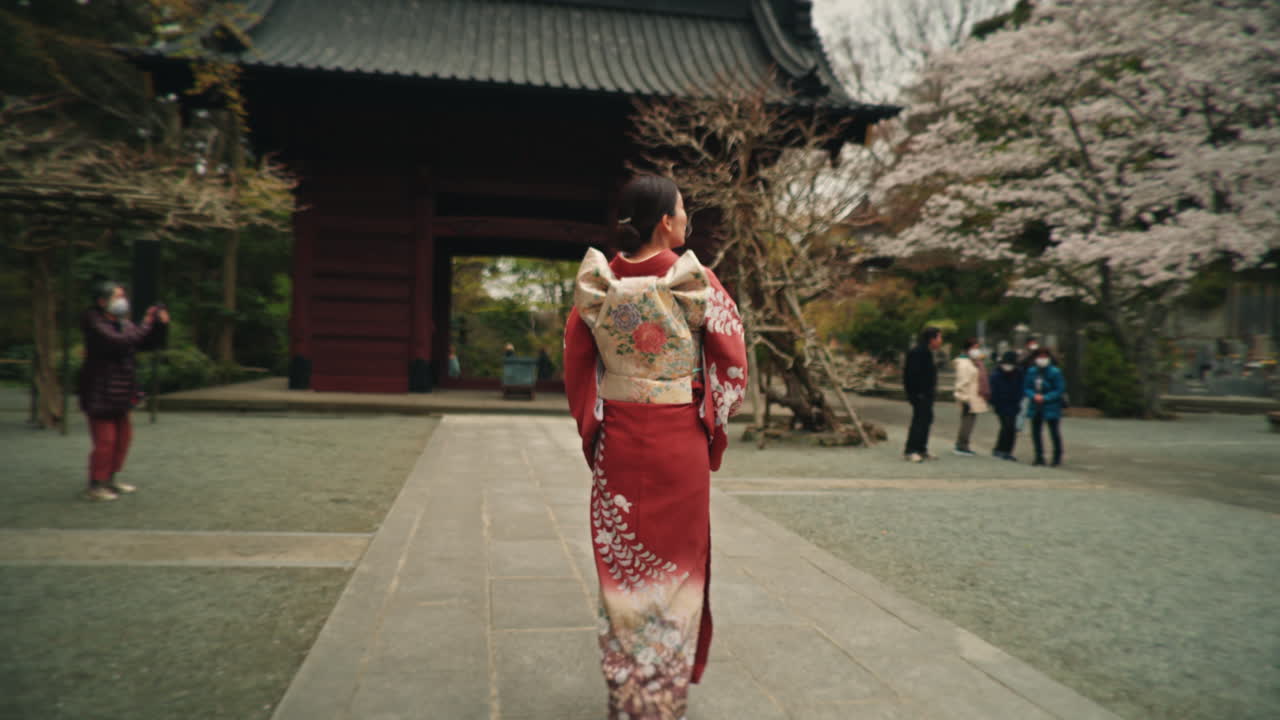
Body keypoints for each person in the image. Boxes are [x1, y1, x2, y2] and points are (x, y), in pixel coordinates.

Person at [563, 175, 747, 719]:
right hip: (679, 448)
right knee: (677, 565)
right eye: (684, 210)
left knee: (622, 568)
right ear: (666, 221)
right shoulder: (697, 279)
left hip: (619, 442)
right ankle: (660, 699)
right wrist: (713, 419)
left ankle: (626, 694)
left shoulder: (599, 281)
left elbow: (577, 365)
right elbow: (732, 362)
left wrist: (593, 429)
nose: (687, 219)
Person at [78, 280, 169, 501]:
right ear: (102, 301)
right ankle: (96, 484)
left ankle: (110, 478)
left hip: (121, 389)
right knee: (105, 440)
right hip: (100, 390)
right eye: (117, 296)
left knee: (123, 438)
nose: (122, 301)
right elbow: (121, 342)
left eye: (123, 295)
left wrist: (160, 325)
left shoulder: (123, 323)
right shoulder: (94, 322)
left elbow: (142, 341)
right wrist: (147, 322)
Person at [903, 327, 942, 462]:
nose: (940, 341)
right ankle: (911, 450)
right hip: (920, 394)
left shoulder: (928, 352)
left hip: (927, 394)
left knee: (926, 420)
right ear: (932, 339)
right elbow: (911, 375)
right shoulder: (918, 352)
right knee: (919, 421)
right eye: (939, 337)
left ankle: (921, 448)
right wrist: (916, 393)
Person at [1024, 347, 1066, 466]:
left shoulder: (1055, 372)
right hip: (1036, 405)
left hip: (1051, 406)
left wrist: (1046, 397)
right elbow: (1026, 387)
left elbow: (1059, 389)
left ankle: (1057, 456)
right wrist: (1033, 395)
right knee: (1036, 432)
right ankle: (1039, 456)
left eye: (1044, 357)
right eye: (1039, 357)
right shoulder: (1032, 371)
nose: (1042, 359)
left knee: (1054, 432)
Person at [952, 337, 990, 456]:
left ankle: (964, 444)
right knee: (967, 421)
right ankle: (961, 445)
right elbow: (962, 382)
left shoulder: (973, 362)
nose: (977, 350)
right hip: (968, 397)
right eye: (975, 348)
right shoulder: (964, 363)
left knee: (970, 420)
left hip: (974, 396)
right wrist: (964, 398)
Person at [989, 350, 1024, 460]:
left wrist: (1018, 400)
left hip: (1013, 404)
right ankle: (1001, 449)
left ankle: (1006, 450)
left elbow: (1021, 388)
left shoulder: (1018, 373)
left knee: (1011, 428)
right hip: (1001, 404)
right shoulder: (996, 374)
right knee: (1006, 426)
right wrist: (995, 402)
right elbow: (993, 390)